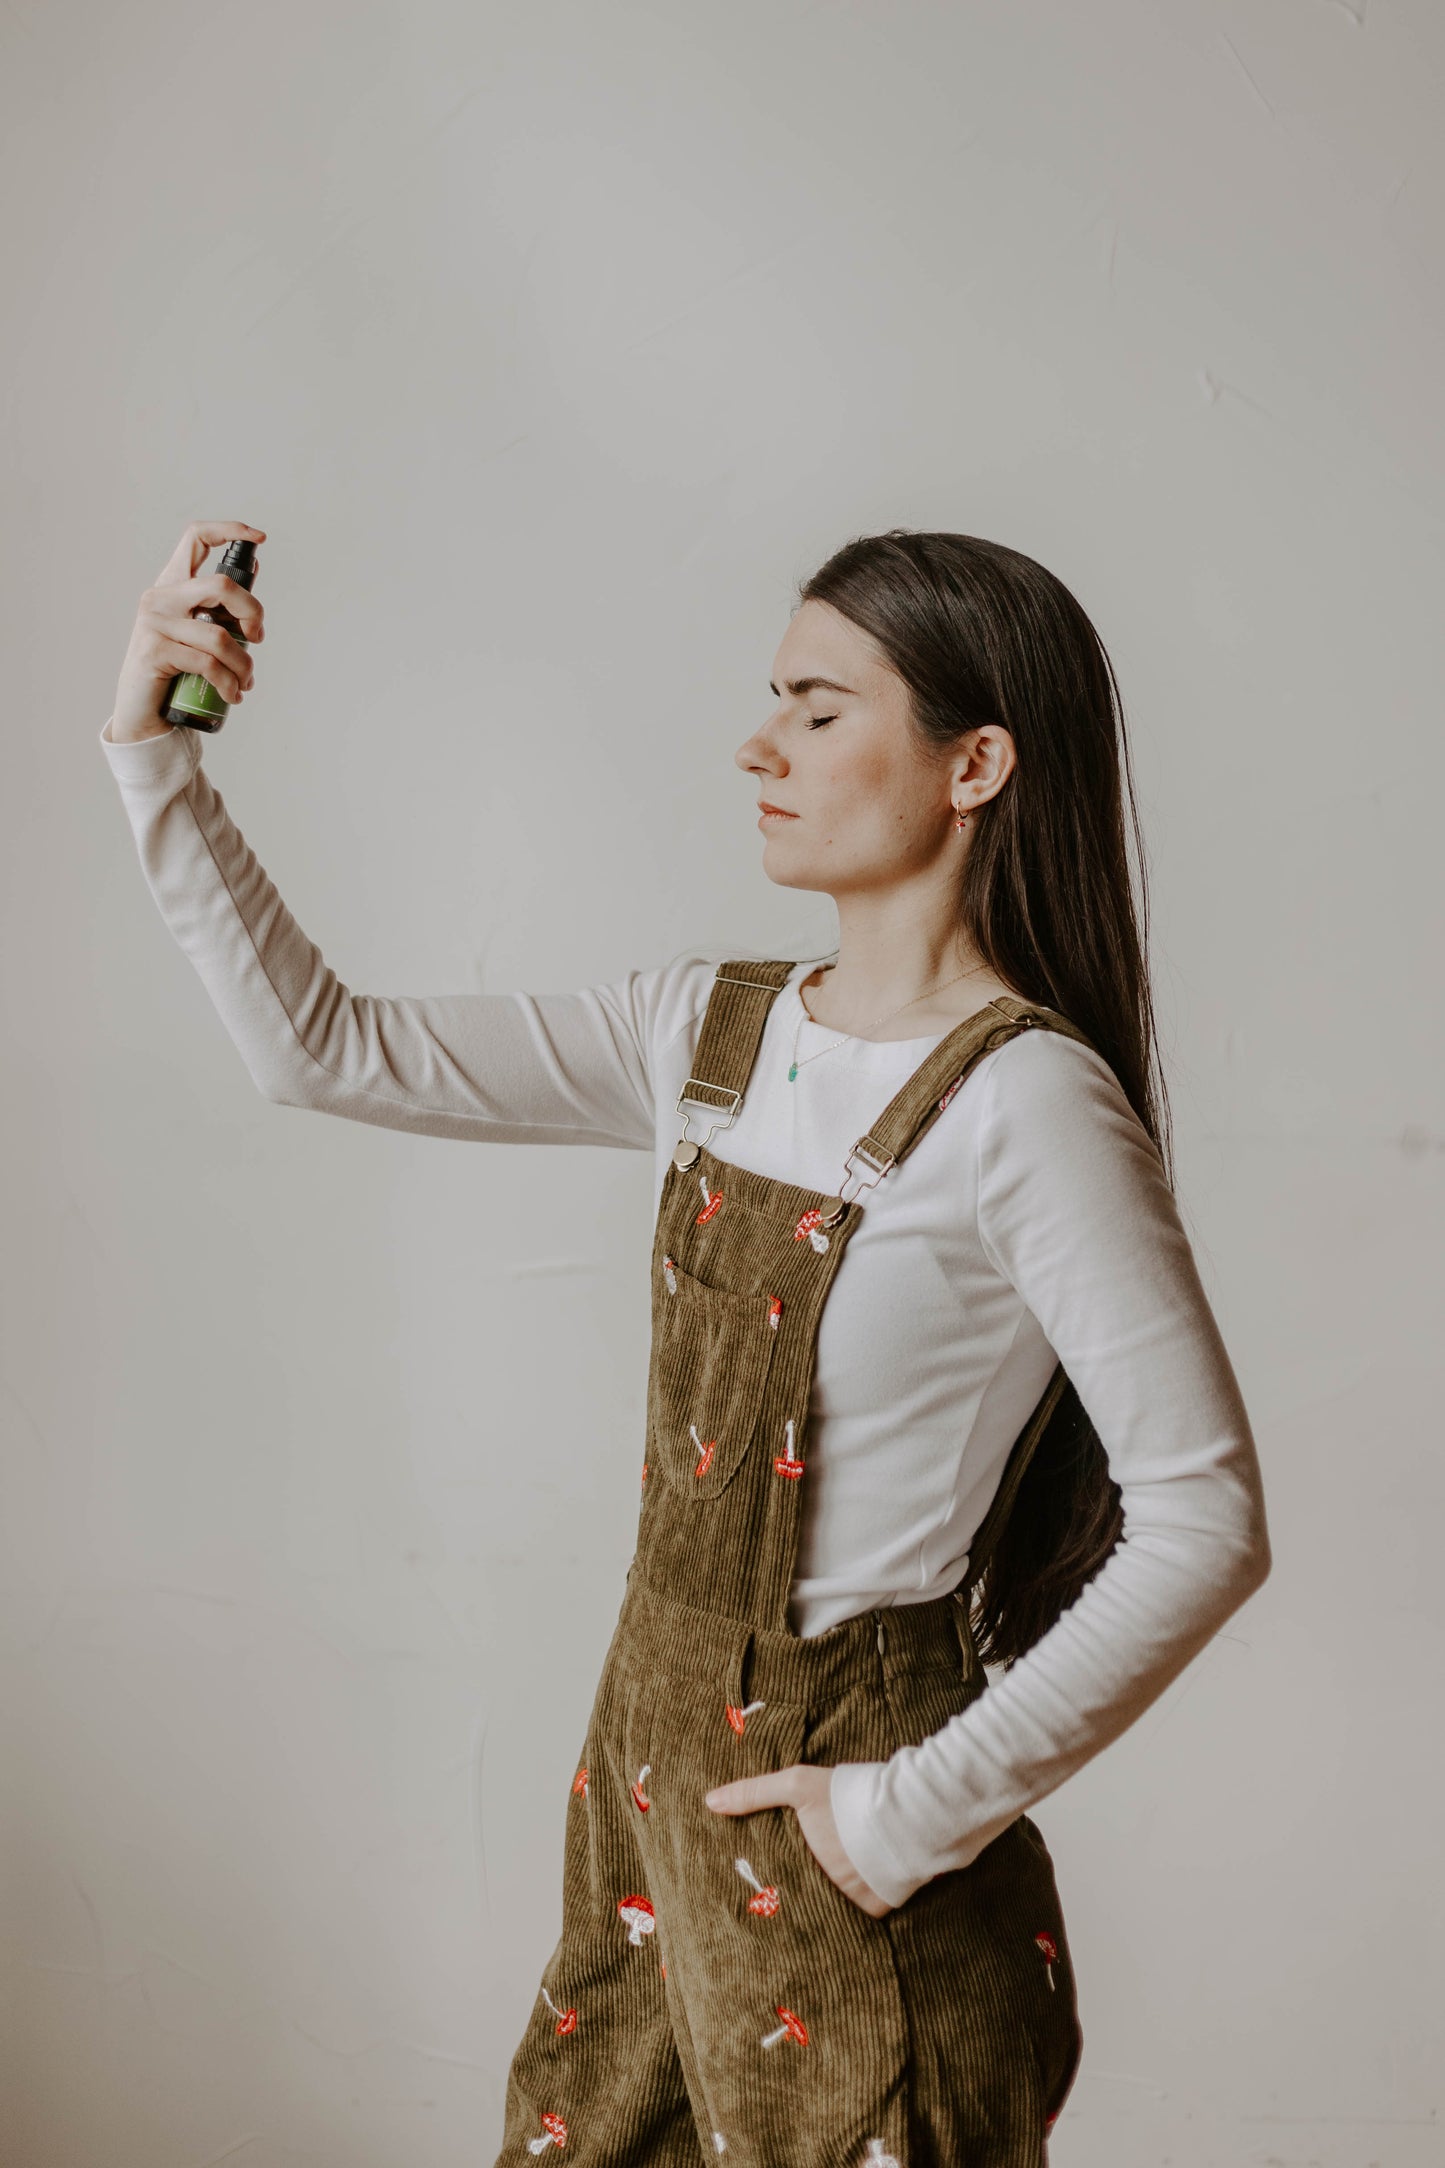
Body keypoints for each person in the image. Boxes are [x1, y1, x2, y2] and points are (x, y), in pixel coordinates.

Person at [101, 519, 1272, 2166]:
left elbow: (1206, 1519)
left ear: (975, 762)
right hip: (639, 1794)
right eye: (769, 700)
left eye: (814, 706)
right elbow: (326, 1048)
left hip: (848, 1836)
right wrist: (159, 752)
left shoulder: (1028, 1105)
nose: (757, 744)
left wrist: (900, 1817)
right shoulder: (703, 1036)